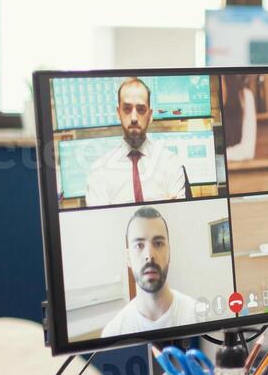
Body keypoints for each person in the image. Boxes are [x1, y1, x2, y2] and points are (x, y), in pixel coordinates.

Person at [83, 78, 189, 206]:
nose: (133, 118)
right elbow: (99, 223)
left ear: (150, 115)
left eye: (141, 110)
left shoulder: (170, 163)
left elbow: (178, 216)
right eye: (127, 109)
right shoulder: (99, 171)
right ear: (118, 113)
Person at [101, 206, 199, 337]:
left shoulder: (198, 317)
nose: (149, 255)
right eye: (139, 245)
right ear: (128, 257)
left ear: (169, 252)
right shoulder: (113, 333)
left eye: (158, 243)